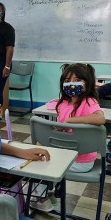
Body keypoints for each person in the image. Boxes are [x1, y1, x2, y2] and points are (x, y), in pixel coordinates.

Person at [31, 63, 105, 212]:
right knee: (38, 158)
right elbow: (64, 127)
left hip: (81, 161)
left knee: (40, 165)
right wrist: (59, 128)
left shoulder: (89, 102)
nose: (71, 84)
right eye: (67, 81)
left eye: (77, 80)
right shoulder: (63, 104)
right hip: (65, 153)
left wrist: (71, 121)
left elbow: (100, 119)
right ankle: (48, 195)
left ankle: (42, 198)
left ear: (87, 82)